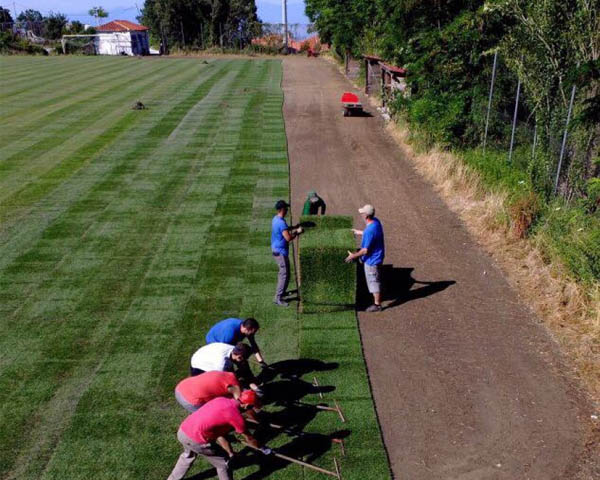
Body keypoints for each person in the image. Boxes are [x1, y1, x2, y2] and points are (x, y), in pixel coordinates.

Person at [166, 391, 271, 480]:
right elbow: (250, 438)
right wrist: (262, 448)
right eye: (252, 407)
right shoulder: (236, 417)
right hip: (196, 439)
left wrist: (228, 445)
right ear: (247, 406)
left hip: (184, 430)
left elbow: (217, 428)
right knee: (223, 464)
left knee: (188, 455)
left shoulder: (221, 400)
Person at [345, 204, 385, 312]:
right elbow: (373, 235)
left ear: (366, 216)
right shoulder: (376, 222)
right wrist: (360, 232)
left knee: (374, 282)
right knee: (375, 278)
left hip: (372, 260)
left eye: (362, 213)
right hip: (378, 255)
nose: (361, 214)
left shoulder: (369, 231)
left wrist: (353, 255)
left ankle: (377, 305)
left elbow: (365, 250)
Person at [271, 200, 303, 307]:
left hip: (276, 250)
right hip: (280, 253)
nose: (287, 210)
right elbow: (288, 238)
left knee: (286, 274)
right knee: (284, 275)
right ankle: (278, 298)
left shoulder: (276, 219)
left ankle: (282, 292)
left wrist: (293, 227)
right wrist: (297, 232)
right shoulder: (281, 222)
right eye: (286, 208)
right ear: (282, 209)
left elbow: (284, 230)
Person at [174, 371, 242, 413]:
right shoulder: (233, 386)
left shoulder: (226, 374)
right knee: (211, 416)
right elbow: (240, 403)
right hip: (189, 400)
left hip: (183, 385)